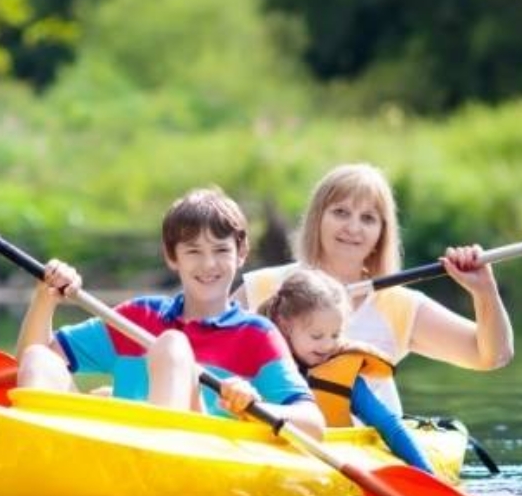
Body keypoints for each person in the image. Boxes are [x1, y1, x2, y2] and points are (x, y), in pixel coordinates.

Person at [16, 187, 325, 439]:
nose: (208, 265)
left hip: (193, 457)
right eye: (193, 252)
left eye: (221, 251)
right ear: (172, 257)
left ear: (241, 254)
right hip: (116, 456)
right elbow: (34, 360)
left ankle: (155, 451)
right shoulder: (138, 316)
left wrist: (253, 405)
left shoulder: (257, 335)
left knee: (172, 346)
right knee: (39, 358)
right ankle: (38, 456)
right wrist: (46, 298)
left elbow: (313, 423)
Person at [235, 163, 513, 413]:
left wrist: (484, 292)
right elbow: (201, 340)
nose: (353, 228)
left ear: (382, 233)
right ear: (317, 219)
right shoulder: (264, 287)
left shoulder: (399, 305)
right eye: (340, 212)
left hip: (365, 446)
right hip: (273, 435)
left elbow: (492, 356)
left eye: (368, 218)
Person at [259, 268, 436, 473]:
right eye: (317, 336)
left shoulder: (344, 375)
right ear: (285, 325)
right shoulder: (262, 362)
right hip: (267, 452)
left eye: (335, 335)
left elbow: (388, 424)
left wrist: (427, 473)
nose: (327, 345)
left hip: (326, 463)